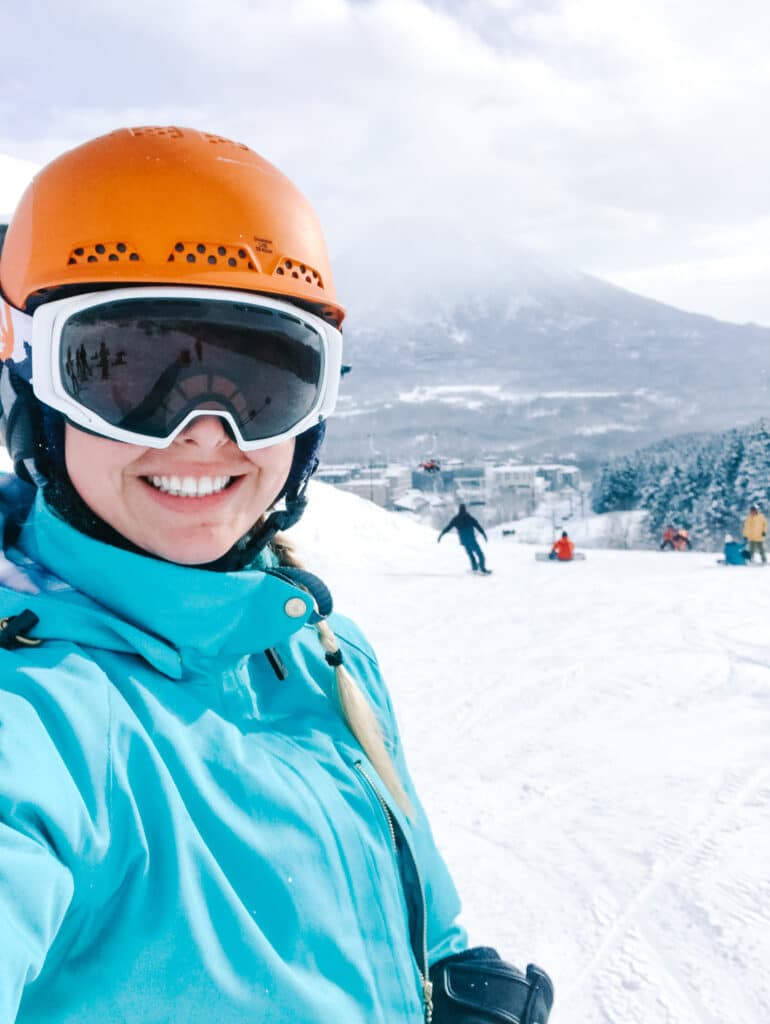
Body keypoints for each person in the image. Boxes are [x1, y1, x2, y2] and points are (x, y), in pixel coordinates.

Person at [0, 128, 551, 1023]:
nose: (205, 431)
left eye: (261, 380)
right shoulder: (37, 718)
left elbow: (416, 916)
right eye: (126, 370)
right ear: (32, 389)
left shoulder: (324, 650)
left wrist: (444, 978)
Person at [437, 503, 491, 573]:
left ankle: (474, 567)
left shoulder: (456, 519)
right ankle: (482, 568)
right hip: (471, 540)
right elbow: (478, 526)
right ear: (465, 510)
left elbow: (448, 527)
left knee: (470, 554)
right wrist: (484, 534)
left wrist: (441, 535)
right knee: (480, 554)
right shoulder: (469, 518)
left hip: (464, 541)